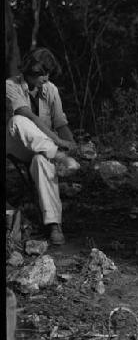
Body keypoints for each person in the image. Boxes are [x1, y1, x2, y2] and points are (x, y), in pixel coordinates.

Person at [6, 47, 79, 245]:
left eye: (47, 73)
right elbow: (27, 116)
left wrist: (71, 144)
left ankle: (54, 224)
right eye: (40, 73)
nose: (45, 77)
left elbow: (60, 122)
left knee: (41, 161)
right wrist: (59, 145)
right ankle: (58, 156)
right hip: (18, 143)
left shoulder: (51, 90)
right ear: (28, 71)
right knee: (17, 121)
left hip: (42, 148)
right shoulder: (11, 85)